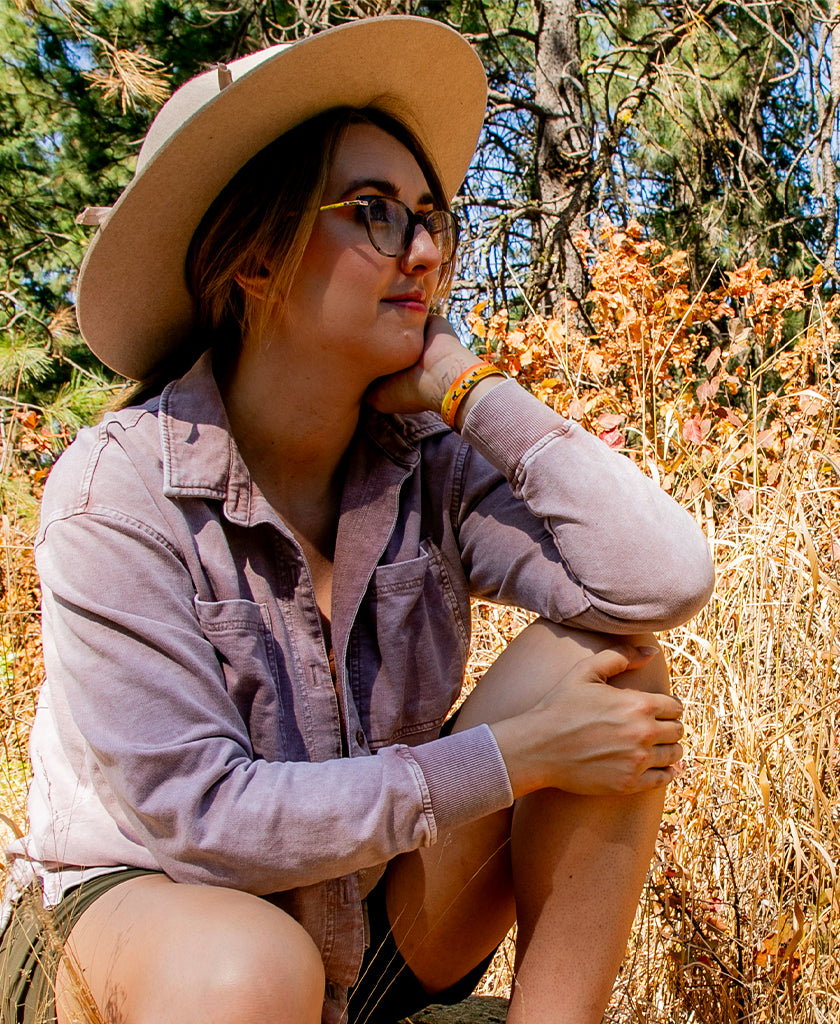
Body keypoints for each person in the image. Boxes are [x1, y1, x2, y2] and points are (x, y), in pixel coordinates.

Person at [0, 15, 714, 1024]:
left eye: (431, 216)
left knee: (609, 666)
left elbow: (660, 579)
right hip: (146, 939)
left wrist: (471, 387)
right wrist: (516, 757)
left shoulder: (426, 459)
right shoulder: (116, 489)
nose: (422, 249)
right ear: (253, 255)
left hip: (355, 925)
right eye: (373, 211)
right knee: (249, 969)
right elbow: (198, 815)